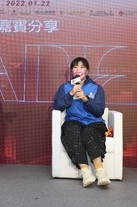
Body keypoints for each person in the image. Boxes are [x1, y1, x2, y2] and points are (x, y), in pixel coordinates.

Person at [53, 57, 111, 187]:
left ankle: (100, 172)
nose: (78, 70)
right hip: (73, 121)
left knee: (88, 132)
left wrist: (85, 99)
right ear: (72, 71)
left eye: (81, 67)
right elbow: (57, 106)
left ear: (87, 70)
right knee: (72, 130)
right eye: (75, 67)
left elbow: (99, 111)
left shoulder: (96, 88)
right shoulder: (65, 87)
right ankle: (85, 172)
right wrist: (70, 94)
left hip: (94, 122)